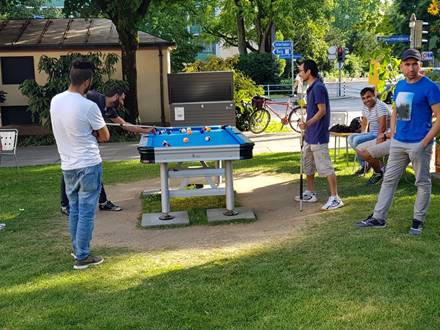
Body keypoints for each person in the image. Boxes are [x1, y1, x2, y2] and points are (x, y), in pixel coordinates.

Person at [356, 49, 440, 235]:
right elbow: (397, 111)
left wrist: (425, 142)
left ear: (420, 65)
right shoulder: (401, 86)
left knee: (422, 183)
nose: (411, 68)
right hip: (399, 143)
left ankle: (418, 221)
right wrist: (393, 132)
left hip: (419, 144)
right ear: (401, 66)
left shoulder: (430, 87)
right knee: (389, 180)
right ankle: (378, 218)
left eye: (414, 64)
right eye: (407, 64)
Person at [51, 59, 109, 269]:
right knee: (85, 211)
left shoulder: (55, 101)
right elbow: (105, 135)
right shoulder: (89, 106)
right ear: (87, 82)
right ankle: (82, 256)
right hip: (88, 165)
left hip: (68, 166)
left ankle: (77, 248)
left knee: (75, 209)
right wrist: (92, 131)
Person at [60, 86, 153, 215]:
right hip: (73, 138)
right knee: (71, 169)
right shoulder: (93, 97)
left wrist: (145, 130)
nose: (122, 102)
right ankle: (65, 206)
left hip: (87, 141)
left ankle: (103, 203)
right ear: (115, 96)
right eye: (122, 99)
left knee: (94, 168)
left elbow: (124, 124)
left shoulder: (109, 110)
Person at [295, 59, 344, 210]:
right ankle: (310, 192)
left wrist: (307, 124)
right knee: (308, 164)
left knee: (325, 166)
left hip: (318, 134)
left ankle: (335, 198)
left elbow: (322, 111)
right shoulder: (310, 87)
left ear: (309, 72)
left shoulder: (318, 88)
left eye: (301, 71)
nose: (299, 73)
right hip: (310, 134)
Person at [349, 87, 390, 176]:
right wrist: (363, 134)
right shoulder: (366, 107)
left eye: (369, 97)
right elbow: (364, 122)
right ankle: (366, 164)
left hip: (382, 134)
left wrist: (379, 138)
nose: (366, 100)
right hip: (372, 133)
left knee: (356, 141)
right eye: (363, 98)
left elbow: (383, 127)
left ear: (374, 96)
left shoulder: (380, 107)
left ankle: (367, 166)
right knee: (350, 138)